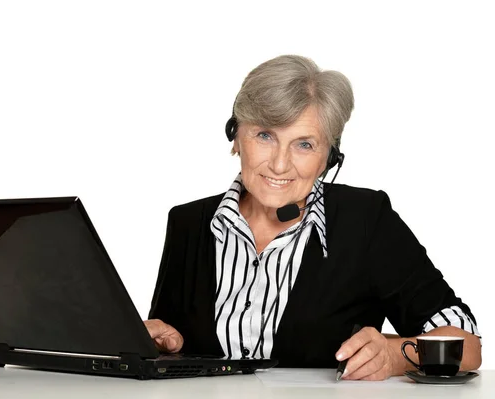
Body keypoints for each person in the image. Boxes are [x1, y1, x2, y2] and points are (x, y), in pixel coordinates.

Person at [143, 55, 482, 381]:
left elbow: (467, 347)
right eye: (265, 135)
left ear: (328, 159)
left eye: (304, 144)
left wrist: (395, 356)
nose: (279, 164)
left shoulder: (365, 220)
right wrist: (148, 343)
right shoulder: (189, 223)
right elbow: (163, 346)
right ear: (235, 137)